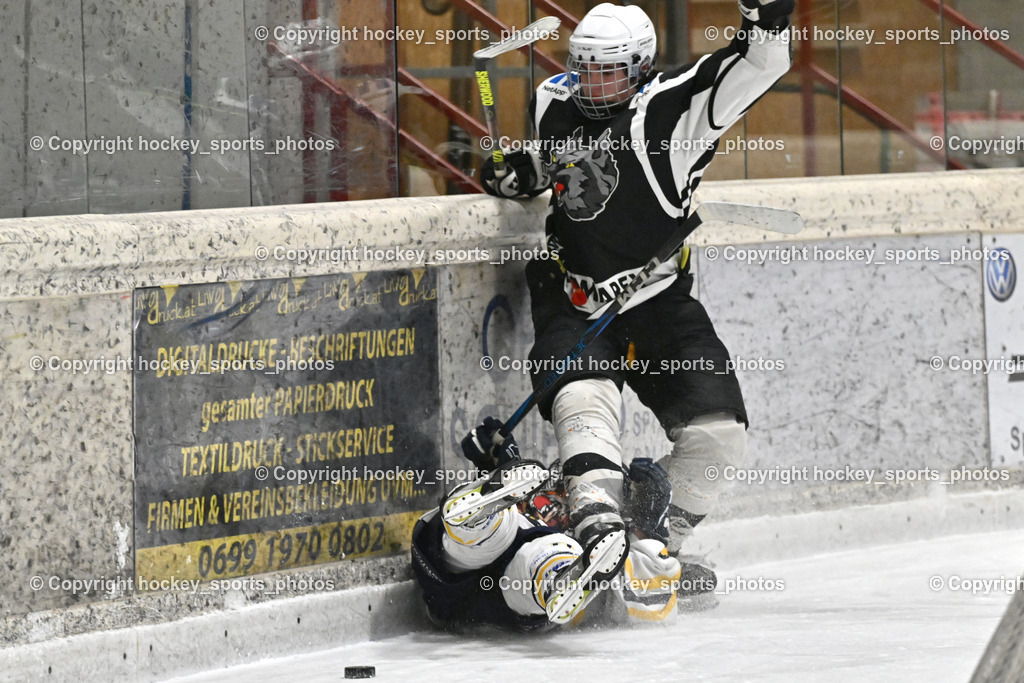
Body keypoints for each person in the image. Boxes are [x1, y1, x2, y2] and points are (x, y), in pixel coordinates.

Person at [480, 1, 794, 588]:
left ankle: (650, 544)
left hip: (658, 302)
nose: (593, 83)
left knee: (718, 434)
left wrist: (767, 20)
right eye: (584, 67)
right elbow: (557, 162)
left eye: (609, 70)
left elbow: (758, 65)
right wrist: (522, 172)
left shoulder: (675, 110)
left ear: (641, 68)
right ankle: (594, 529)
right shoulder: (553, 97)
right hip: (572, 298)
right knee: (585, 406)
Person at [411, 419, 684, 630]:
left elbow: (652, 600)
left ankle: (562, 581)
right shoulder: (542, 482)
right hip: (457, 572)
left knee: (553, 553)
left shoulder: (607, 549)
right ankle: (485, 499)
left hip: (511, 598)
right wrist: (494, 464)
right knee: (495, 527)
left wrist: (652, 531)